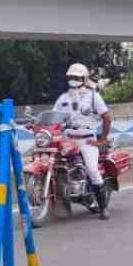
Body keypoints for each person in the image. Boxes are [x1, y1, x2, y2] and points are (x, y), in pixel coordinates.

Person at [53, 63, 112, 220]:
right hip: (67, 140)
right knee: (53, 164)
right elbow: (52, 117)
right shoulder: (63, 98)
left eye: (77, 77)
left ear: (84, 78)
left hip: (87, 141)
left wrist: (102, 140)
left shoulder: (93, 96)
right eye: (71, 77)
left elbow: (107, 117)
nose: (74, 80)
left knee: (92, 170)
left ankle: (103, 207)